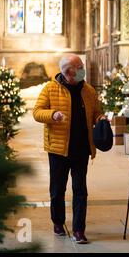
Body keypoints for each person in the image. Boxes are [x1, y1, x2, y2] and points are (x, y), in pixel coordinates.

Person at [33, 54, 104, 244]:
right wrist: (52, 114)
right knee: (57, 189)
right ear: (68, 72)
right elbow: (37, 112)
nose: (83, 69)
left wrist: (100, 119)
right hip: (58, 149)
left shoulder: (88, 90)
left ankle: (79, 229)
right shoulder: (50, 88)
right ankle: (58, 221)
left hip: (81, 149)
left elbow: (96, 111)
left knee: (80, 190)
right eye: (79, 67)